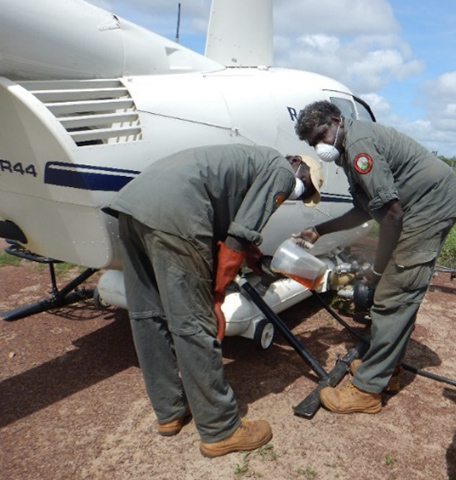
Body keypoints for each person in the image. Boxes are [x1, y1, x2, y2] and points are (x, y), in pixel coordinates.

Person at [105, 145, 323, 458]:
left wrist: (254, 259)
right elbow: (236, 239)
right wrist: (216, 295)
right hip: (177, 212)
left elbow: (233, 225)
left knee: (147, 313)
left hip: (134, 206)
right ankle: (220, 428)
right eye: (305, 189)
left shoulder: (246, 160)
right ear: (298, 165)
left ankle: (170, 411)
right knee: (194, 321)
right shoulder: (280, 170)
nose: (297, 194)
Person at [294, 100, 456, 414]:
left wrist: (379, 269)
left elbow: (391, 214)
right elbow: (366, 209)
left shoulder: (359, 146)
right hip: (420, 207)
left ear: (337, 120)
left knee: (393, 295)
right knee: (394, 292)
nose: (321, 146)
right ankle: (386, 370)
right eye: (314, 143)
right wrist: (318, 230)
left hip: (428, 209)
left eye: (322, 135)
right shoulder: (351, 147)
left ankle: (367, 390)